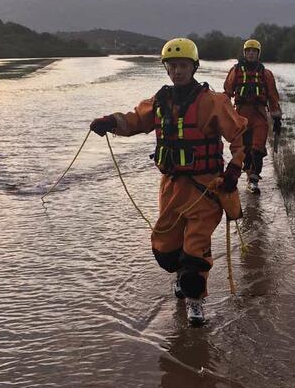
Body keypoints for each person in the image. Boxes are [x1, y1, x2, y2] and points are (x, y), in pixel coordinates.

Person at [90, 38, 248, 326]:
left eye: (183, 66)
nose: (177, 71)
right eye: (172, 66)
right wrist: (110, 122)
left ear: (194, 67)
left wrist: (235, 169)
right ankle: (181, 276)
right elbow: (135, 120)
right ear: (166, 69)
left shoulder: (213, 102)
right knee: (165, 250)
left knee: (195, 250)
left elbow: (239, 136)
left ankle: (195, 300)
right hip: (172, 188)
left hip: (206, 188)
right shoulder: (160, 101)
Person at [223, 39, 283, 194]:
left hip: (259, 115)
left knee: (257, 148)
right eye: (248, 51)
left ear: (258, 54)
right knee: (243, 149)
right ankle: (247, 173)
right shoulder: (236, 71)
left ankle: (254, 180)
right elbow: (227, 94)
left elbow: (272, 97)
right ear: (245, 53)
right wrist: (222, 114)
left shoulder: (266, 74)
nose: (251, 53)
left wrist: (276, 118)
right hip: (240, 114)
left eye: (254, 51)